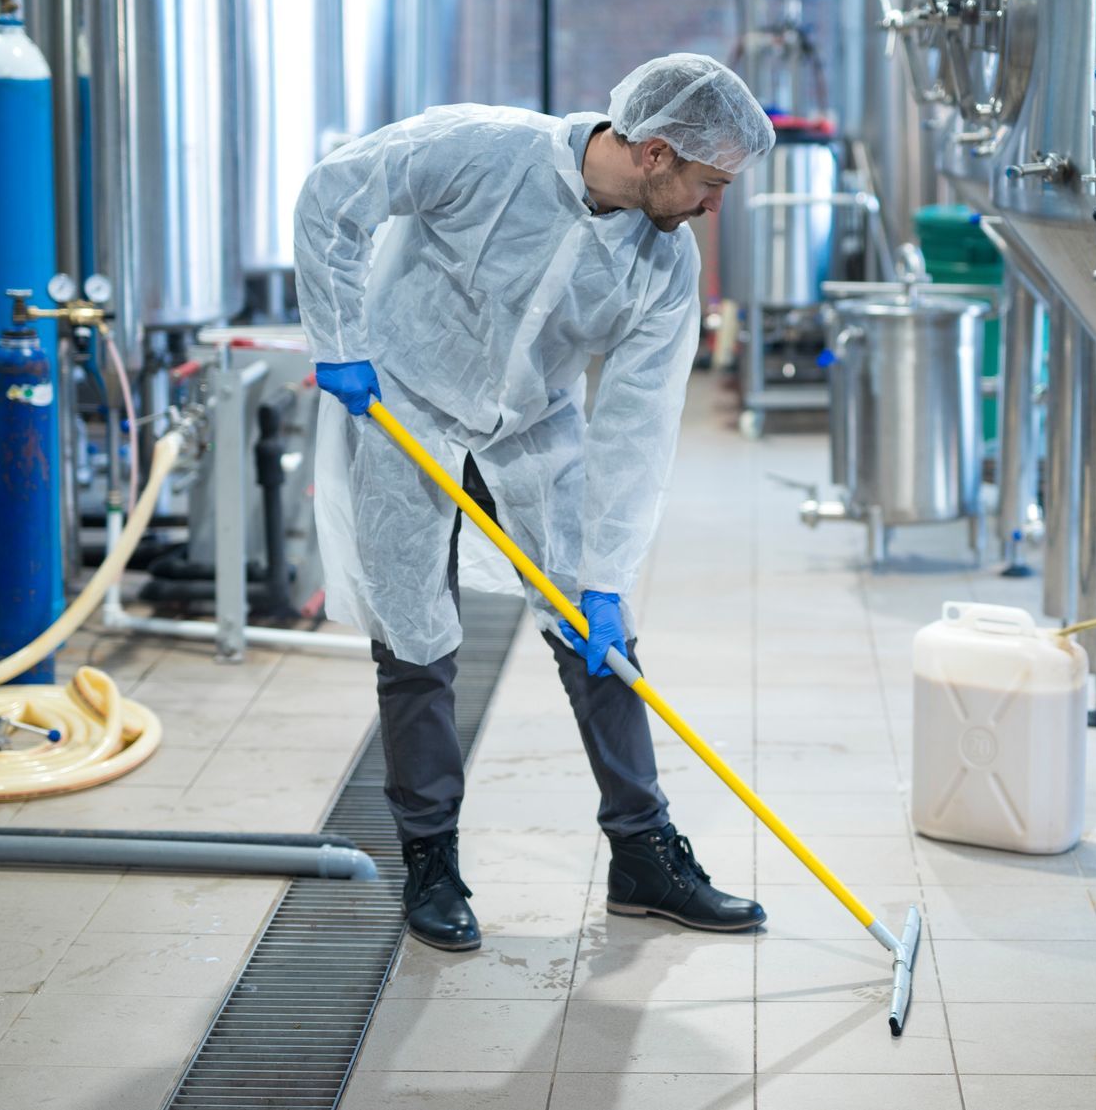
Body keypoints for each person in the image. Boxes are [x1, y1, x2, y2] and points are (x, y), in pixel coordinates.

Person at [294, 54, 775, 952]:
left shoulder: (666, 265)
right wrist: (340, 340)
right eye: (712, 185)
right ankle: (430, 859)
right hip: (407, 403)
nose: (715, 207)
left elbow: (638, 428)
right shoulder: (479, 148)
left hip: (531, 428)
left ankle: (643, 856)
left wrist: (608, 575)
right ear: (659, 153)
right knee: (414, 641)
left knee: (602, 640)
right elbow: (334, 196)